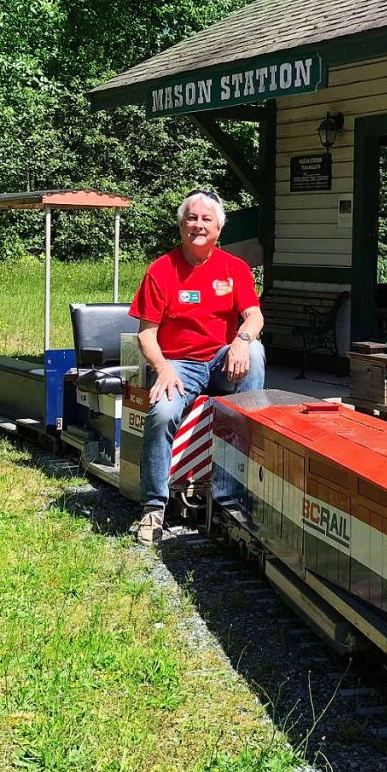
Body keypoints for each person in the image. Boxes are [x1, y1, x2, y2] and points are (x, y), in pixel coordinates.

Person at [129, 189, 264, 544]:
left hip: (222, 359)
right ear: (180, 226)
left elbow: (254, 317)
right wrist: (163, 369)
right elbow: (146, 335)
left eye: (207, 219)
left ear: (219, 229)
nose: (198, 225)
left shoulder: (234, 268)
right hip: (179, 365)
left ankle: (244, 481)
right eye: (192, 218)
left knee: (258, 353)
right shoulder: (161, 270)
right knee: (161, 413)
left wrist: (241, 342)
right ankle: (153, 508)